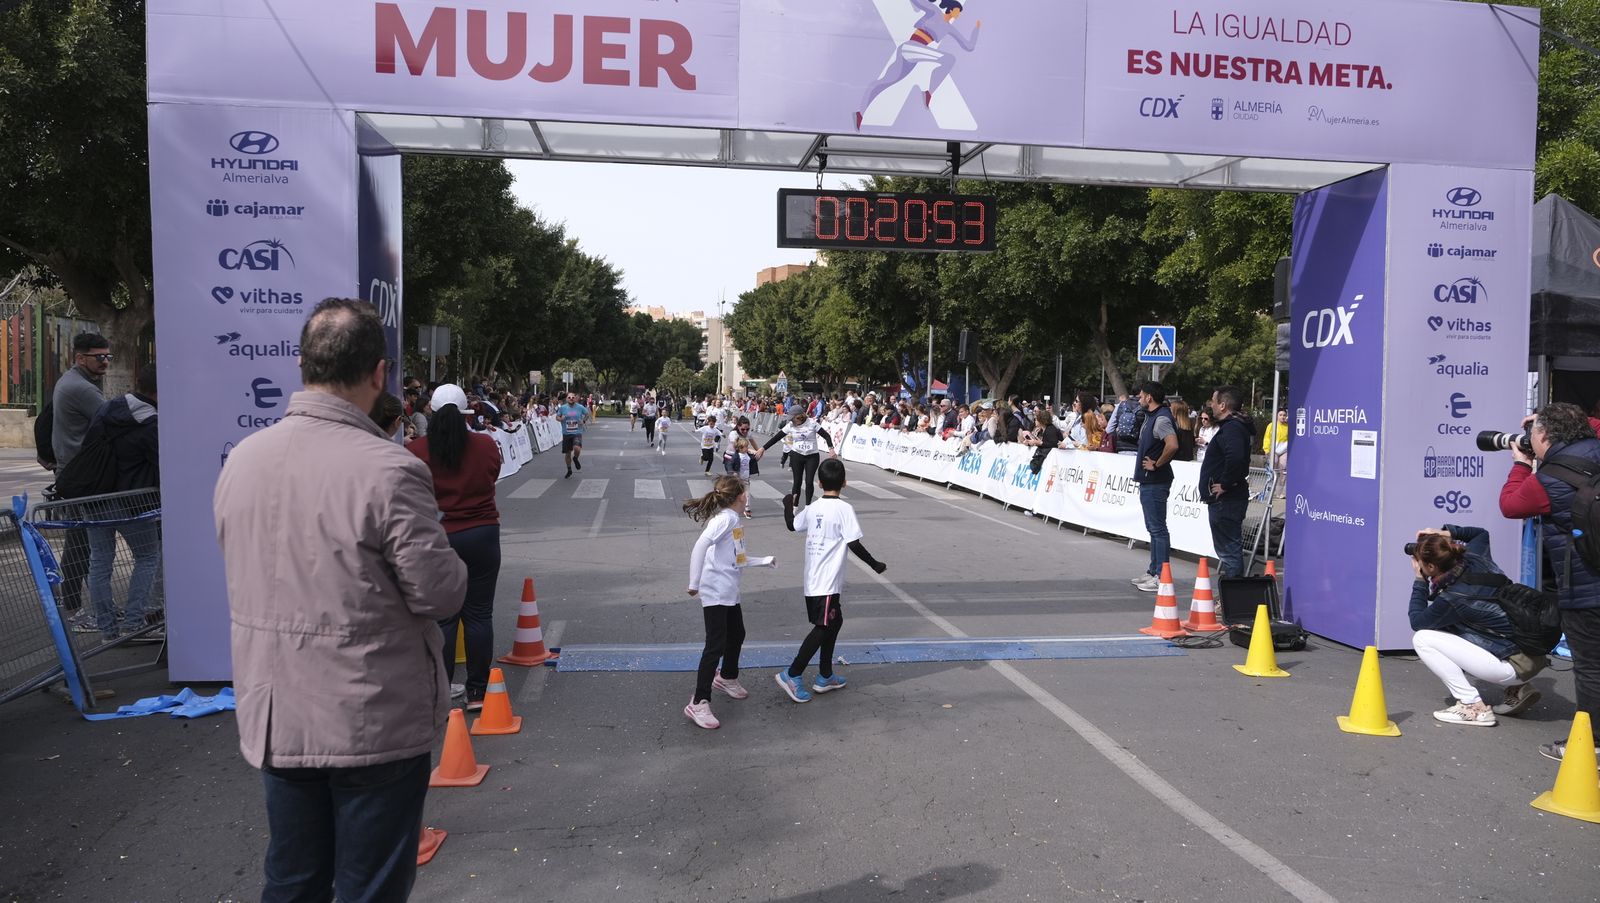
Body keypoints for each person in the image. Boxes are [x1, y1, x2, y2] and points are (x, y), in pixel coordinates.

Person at [214, 298, 467, 902]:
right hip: (368, 716)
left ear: (301, 365)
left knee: (292, 879)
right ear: (379, 373)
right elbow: (439, 591)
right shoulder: (388, 469)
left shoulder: (244, 459)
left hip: (277, 712)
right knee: (369, 885)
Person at [1499, 401, 1600, 761]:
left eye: (1534, 433)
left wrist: (1521, 465)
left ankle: (1593, 746)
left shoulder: (1547, 480)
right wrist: (1564, 420)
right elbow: (1590, 427)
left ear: (1543, 436)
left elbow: (1510, 505)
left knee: (1591, 668)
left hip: (1586, 588)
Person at [406, 383, 503, 712]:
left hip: (438, 537)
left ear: (430, 409)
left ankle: (444, 693)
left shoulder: (416, 451)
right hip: (482, 534)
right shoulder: (486, 445)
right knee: (479, 614)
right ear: (468, 410)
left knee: (444, 620)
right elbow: (492, 476)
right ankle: (477, 691)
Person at [776, 459, 886, 703]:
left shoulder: (813, 507)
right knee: (824, 626)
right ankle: (792, 673)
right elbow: (853, 543)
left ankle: (825, 675)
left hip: (815, 579)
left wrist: (787, 505)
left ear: (819, 482)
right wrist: (874, 564)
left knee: (835, 622)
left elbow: (792, 525)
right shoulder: (844, 509)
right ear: (844, 482)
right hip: (825, 582)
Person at [1408, 526, 1541, 726]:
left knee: (1423, 639)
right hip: (1533, 655)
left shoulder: (1453, 598)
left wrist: (1419, 580)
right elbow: (1481, 534)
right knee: (1450, 627)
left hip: (1514, 664)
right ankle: (1517, 689)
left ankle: (1472, 706)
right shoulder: (1475, 557)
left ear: (1432, 568)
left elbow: (1417, 622)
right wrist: (1445, 533)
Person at [82, 364, 162, 642]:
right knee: (148, 557)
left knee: (100, 562)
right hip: (133, 501)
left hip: (95, 497)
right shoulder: (152, 423)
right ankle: (133, 623)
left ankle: (107, 631)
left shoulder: (108, 409)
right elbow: (161, 463)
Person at [683, 475, 760, 730]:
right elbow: (700, 546)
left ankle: (726, 677)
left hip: (729, 590)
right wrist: (694, 583)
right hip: (715, 591)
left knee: (737, 634)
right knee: (714, 646)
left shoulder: (734, 520)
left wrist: (763, 561)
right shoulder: (725, 519)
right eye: (746, 492)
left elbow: (737, 558)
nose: (747, 496)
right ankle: (698, 701)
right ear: (740, 496)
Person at [50, 332, 111, 629]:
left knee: (85, 544)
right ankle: (74, 612)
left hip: (76, 474)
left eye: (108, 357)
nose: (105, 363)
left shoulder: (73, 381)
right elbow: (113, 417)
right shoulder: (80, 388)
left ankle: (98, 610)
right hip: (80, 478)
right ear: (80, 358)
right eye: (99, 357)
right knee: (79, 545)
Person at [1197, 386, 1254, 579]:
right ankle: (1230, 594)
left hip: (1227, 499)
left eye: (1213, 401)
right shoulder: (1232, 427)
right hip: (1225, 499)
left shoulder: (1233, 428)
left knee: (1229, 551)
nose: (1210, 404)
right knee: (1227, 550)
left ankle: (1232, 598)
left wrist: (1225, 484)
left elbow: (1236, 458)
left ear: (1222, 405)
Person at [1131, 381, 1178, 593]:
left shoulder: (1161, 418)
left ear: (1149, 397)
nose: (1139, 398)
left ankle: (1161, 575)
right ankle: (1153, 571)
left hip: (1156, 481)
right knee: (1153, 528)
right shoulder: (1153, 417)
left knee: (1158, 529)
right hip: (1150, 480)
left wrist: (1157, 464)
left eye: (1141, 395)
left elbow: (1172, 445)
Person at [760, 404, 836, 507]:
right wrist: (762, 448)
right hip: (797, 455)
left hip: (812, 456)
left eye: (793, 418)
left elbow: (826, 436)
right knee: (797, 482)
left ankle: (808, 507)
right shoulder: (790, 426)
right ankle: (794, 508)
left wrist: (831, 449)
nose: (791, 421)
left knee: (809, 482)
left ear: (800, 416)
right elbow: (776, 438)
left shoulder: (812, 424)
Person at [556, 391, 590, 478]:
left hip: (577, 432)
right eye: (569, 397)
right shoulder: (563, 408)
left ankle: (575, 458)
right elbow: (557, 417)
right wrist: (561, 419)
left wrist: (583, 421)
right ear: (566, 399)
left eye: (573, 397)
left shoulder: (580, 407)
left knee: (577, 448)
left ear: (575, 398)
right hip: (566, 433)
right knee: (567, 453)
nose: (571, 399)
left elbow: (587, 414)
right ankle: (569, 469)